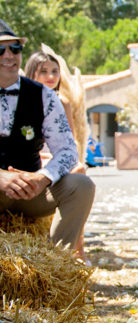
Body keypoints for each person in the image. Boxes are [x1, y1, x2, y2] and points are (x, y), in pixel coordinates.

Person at [0, 19, 95, 250]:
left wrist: (43, 177)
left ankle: (56, 264)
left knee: (82, 185)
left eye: (15, 48)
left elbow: (67, 150)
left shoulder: (44, 96)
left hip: (32, 192)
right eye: (0, 49)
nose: (9, 55)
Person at [25, 46, 89, 259]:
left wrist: (53, 161)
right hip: (31, 161)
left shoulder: (63, 103)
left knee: (79, 171)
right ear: (32, 71)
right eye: (43, 71)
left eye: (55, 71)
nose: (51, 76)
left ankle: (77, 247)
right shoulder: (21, 100)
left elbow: (66, 144)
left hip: (53, 159)